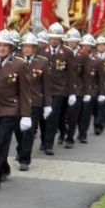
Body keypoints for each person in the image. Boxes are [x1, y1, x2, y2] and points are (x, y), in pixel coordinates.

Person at [0, 30, 32, 192]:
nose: (1, 48)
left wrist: (26, 115)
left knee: (3, 142)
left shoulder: (20, 64)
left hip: (10, 109)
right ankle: (4, 167)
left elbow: (25, 91)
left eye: (5, 46)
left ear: (11, 48)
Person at [15, 32, 49, 171]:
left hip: (34, 102)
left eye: (30, 46)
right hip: (17, 102)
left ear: (35, 48)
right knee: (18, 131)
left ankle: (25, 159)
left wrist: (47, 104)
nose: (27, 49)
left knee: (29, 131)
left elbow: (46, 85)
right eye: (25, 46)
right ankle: (20, 148)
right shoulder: (16, 61)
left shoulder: (42, 62)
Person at [40, 22, 75, 156]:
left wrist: (71, 93)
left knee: (53, 117)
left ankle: (49, 144)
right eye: (51, 38)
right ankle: (43, 140)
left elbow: (71, 74)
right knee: (42, 118)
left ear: (60, 38)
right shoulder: (41, 50)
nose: (53, 40)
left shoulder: (67, 52)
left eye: (56, 38)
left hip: (58, 90)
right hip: (43, 89)